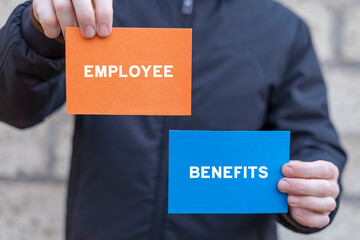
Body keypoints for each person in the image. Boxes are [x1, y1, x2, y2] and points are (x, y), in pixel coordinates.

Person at [0, 0, 347, 239]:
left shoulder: (283, 31)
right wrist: (36, 34)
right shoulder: (98, 8)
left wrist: (310, 187)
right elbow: (16, 106)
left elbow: (312, 140)